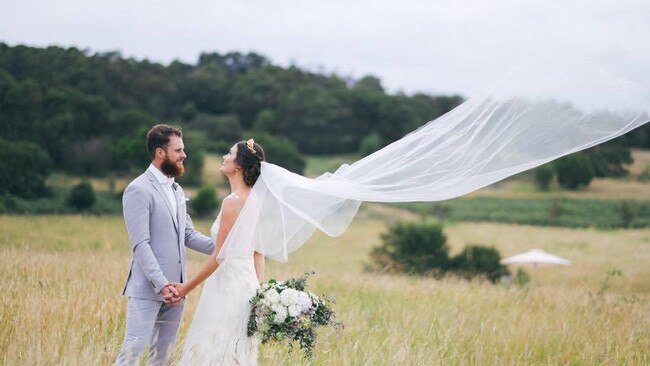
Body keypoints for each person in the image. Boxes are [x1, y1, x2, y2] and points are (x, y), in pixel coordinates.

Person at [115, 124, 215, 365]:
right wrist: (161, 284)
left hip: (178, 290)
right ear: (160, 153)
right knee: (132, 352)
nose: (184, 155)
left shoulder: (177, 189)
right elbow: (141, 244)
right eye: (178, 150)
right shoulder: (138, 189)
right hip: (149, 290)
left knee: (162, 358)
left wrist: (228, 246)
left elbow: (188, 235)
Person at [170, 139, 266, 365]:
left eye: (229, 153)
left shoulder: (232, 201)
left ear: (239, 164)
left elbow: (219, 256)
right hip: (247, 286)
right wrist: (259, 292)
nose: (224, 157)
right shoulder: (255, 200)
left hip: (226, 286)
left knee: (212, 347)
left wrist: (186, 287)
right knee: (235, 349)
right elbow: (259, 252)